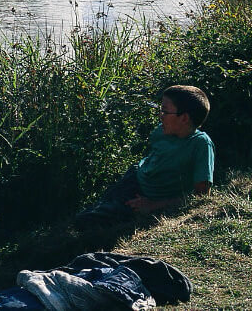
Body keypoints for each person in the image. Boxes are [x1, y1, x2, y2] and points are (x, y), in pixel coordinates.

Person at [74, 85, 214, 230]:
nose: (160, 116)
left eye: (164, 111)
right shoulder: (162, 131)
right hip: (134, 178)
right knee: (93, 211)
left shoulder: (200, 144)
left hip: (148, 196)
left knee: (87, 221)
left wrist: (153, 205)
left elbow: (201, 196)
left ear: (184, 118)